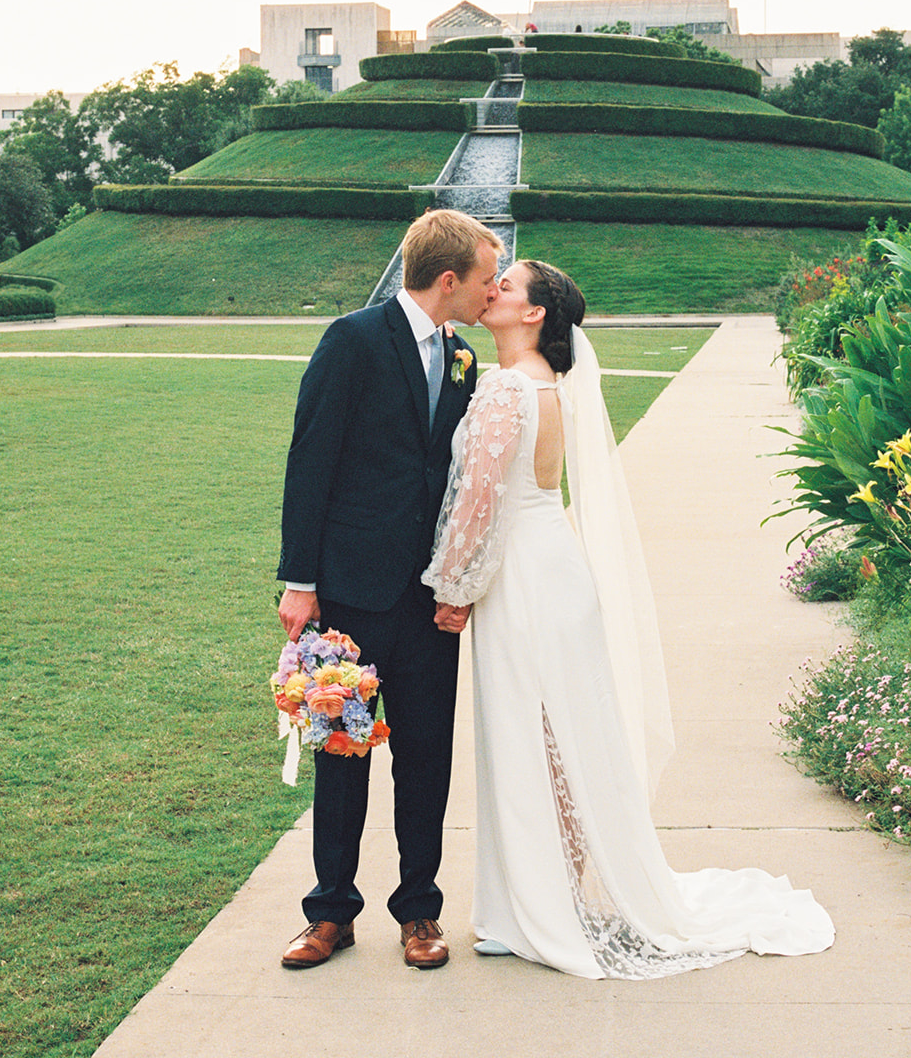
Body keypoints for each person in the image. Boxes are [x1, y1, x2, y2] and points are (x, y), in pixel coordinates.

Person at [422, 260, 835, 977]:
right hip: (554, 566)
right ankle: (550, 897)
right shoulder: (551, 388)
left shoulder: (503, 389)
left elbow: (479, 504)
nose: (492, 291)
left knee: (527, 736)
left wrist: (452, 588)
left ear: (534, 316)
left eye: (507, 287)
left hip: (519, 577)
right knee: (561, 738)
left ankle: (531, 911)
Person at [277, 209, 503, 970]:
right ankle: (329, 914)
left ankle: (418, 912)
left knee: (426, 755)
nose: (489, 290)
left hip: (428, 597)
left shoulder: (464, 355)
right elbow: (310, 461)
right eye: (482, 278)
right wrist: (300, 584)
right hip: (346, 592)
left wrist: (461, 579)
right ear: (449, 280)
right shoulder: (351, 340)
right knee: (341, 751)